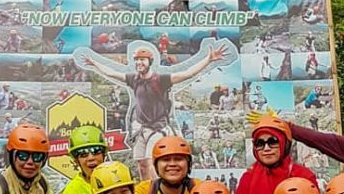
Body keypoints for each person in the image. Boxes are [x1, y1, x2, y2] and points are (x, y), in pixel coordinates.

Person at [75, 40, 231, 179]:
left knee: (150, 162)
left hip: (157, 128)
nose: (139, 63)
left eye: (142, 60)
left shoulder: (160, 80)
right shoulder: (134, 79)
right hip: (140, 128)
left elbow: (188, 73)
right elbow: (112, 73)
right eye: (136, 60)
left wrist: (208, 59)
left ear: (150, 61)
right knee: (141, 164)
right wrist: (94, 63)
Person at [233, 117, 321, 194]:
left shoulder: (304, 175)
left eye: (273, 141)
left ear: (285, 144)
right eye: (260, 143)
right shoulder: (249, 177)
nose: (266, 148)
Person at [134, 136, 201, 194]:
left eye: (178, 159)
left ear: (188, 164)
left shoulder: (199, 188)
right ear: (156, 165)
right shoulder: (144, 191)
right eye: (165, 160)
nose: (172, 164)